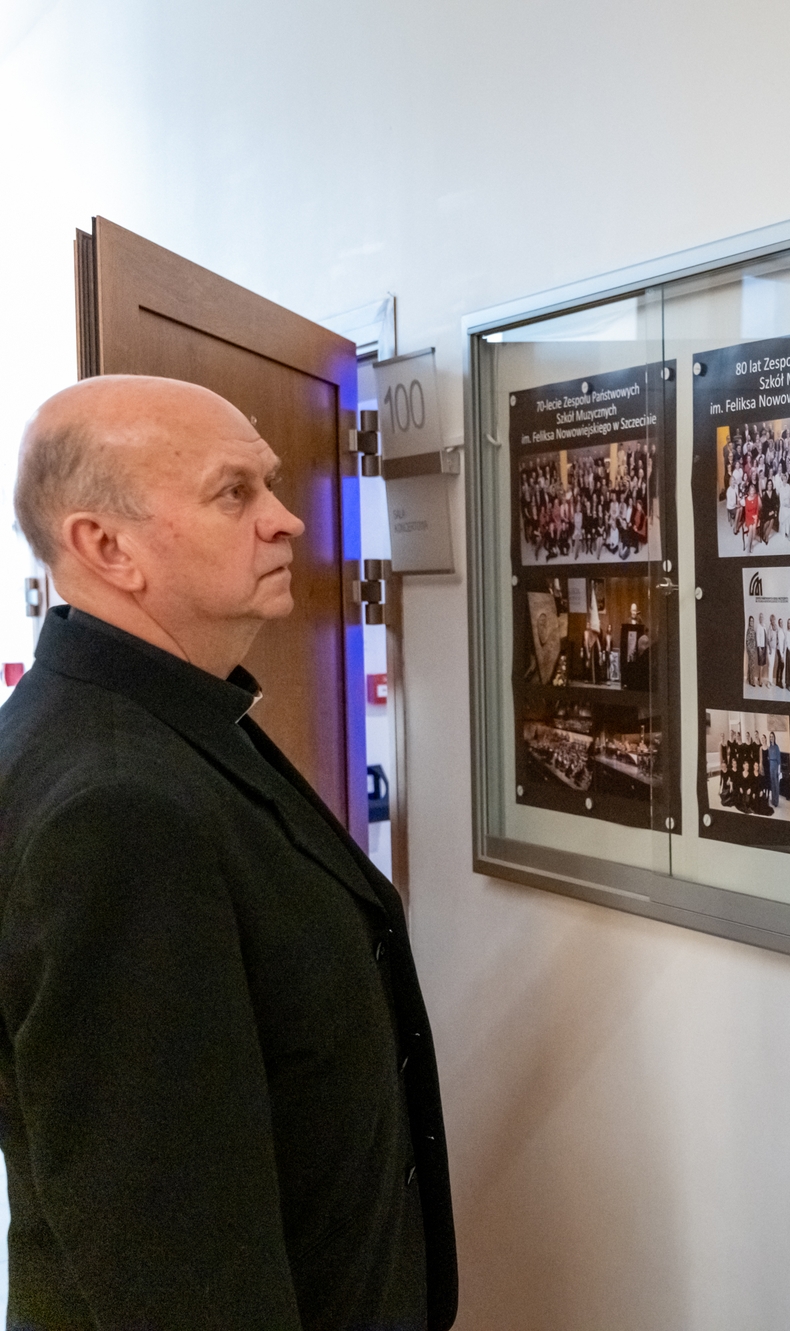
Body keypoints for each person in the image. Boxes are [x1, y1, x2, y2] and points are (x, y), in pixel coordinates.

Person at [0, 376, 456, 1327]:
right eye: (234, 491)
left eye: (270, 484)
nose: (286, 519)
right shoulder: (117, 805)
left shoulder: (162, 717)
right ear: (107, 546)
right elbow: (173, 1253)